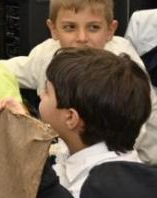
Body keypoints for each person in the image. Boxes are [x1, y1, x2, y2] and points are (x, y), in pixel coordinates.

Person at [0, 0, 157, 163]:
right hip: (73, 153)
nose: (82, 38)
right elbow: (15, 69)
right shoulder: (47, 53)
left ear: (110, 30)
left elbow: (132, 134)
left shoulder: (120, 66)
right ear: (53, 29)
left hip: (133, 159)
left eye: (93, 28)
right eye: (70, 27)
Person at [37, 48, 153, 197]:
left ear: (71, 118)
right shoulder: (84, 148)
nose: (40, 94)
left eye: (47, 90)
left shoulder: (86, 191)